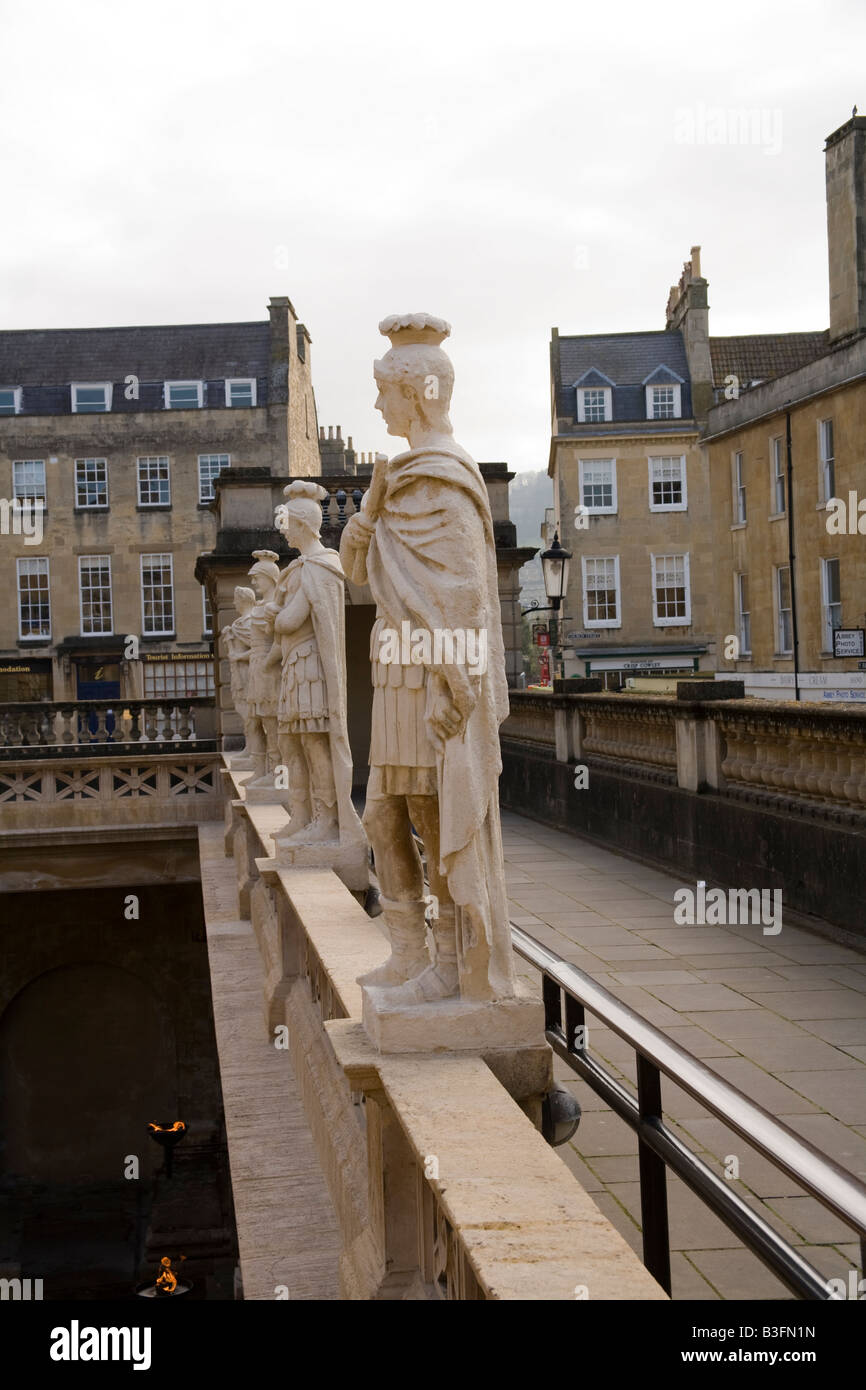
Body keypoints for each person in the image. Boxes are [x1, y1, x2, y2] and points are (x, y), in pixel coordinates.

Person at [340, 313, 515, 1005]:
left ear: (418, 392)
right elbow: (357, 569)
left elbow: (464, 594)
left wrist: (457, 688)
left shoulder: (442, 477)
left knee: (430, 817)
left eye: (385, 392)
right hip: (393, 667)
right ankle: (409, 949)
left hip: (427, 673)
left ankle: (450, 963)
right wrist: (369, 507)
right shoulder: (402, 477)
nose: (378, 405)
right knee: (382, 816)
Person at [264, 481, 365, 848]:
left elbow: (290, 621)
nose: (284, 529)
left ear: (304, 525)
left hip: (311, 669)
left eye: (288, 523)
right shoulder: (299, 569)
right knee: (292, 745)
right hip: (295, 668)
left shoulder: (320, 567)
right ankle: (302, 814)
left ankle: (327, 819)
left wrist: (276, 616)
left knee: (313, 744)